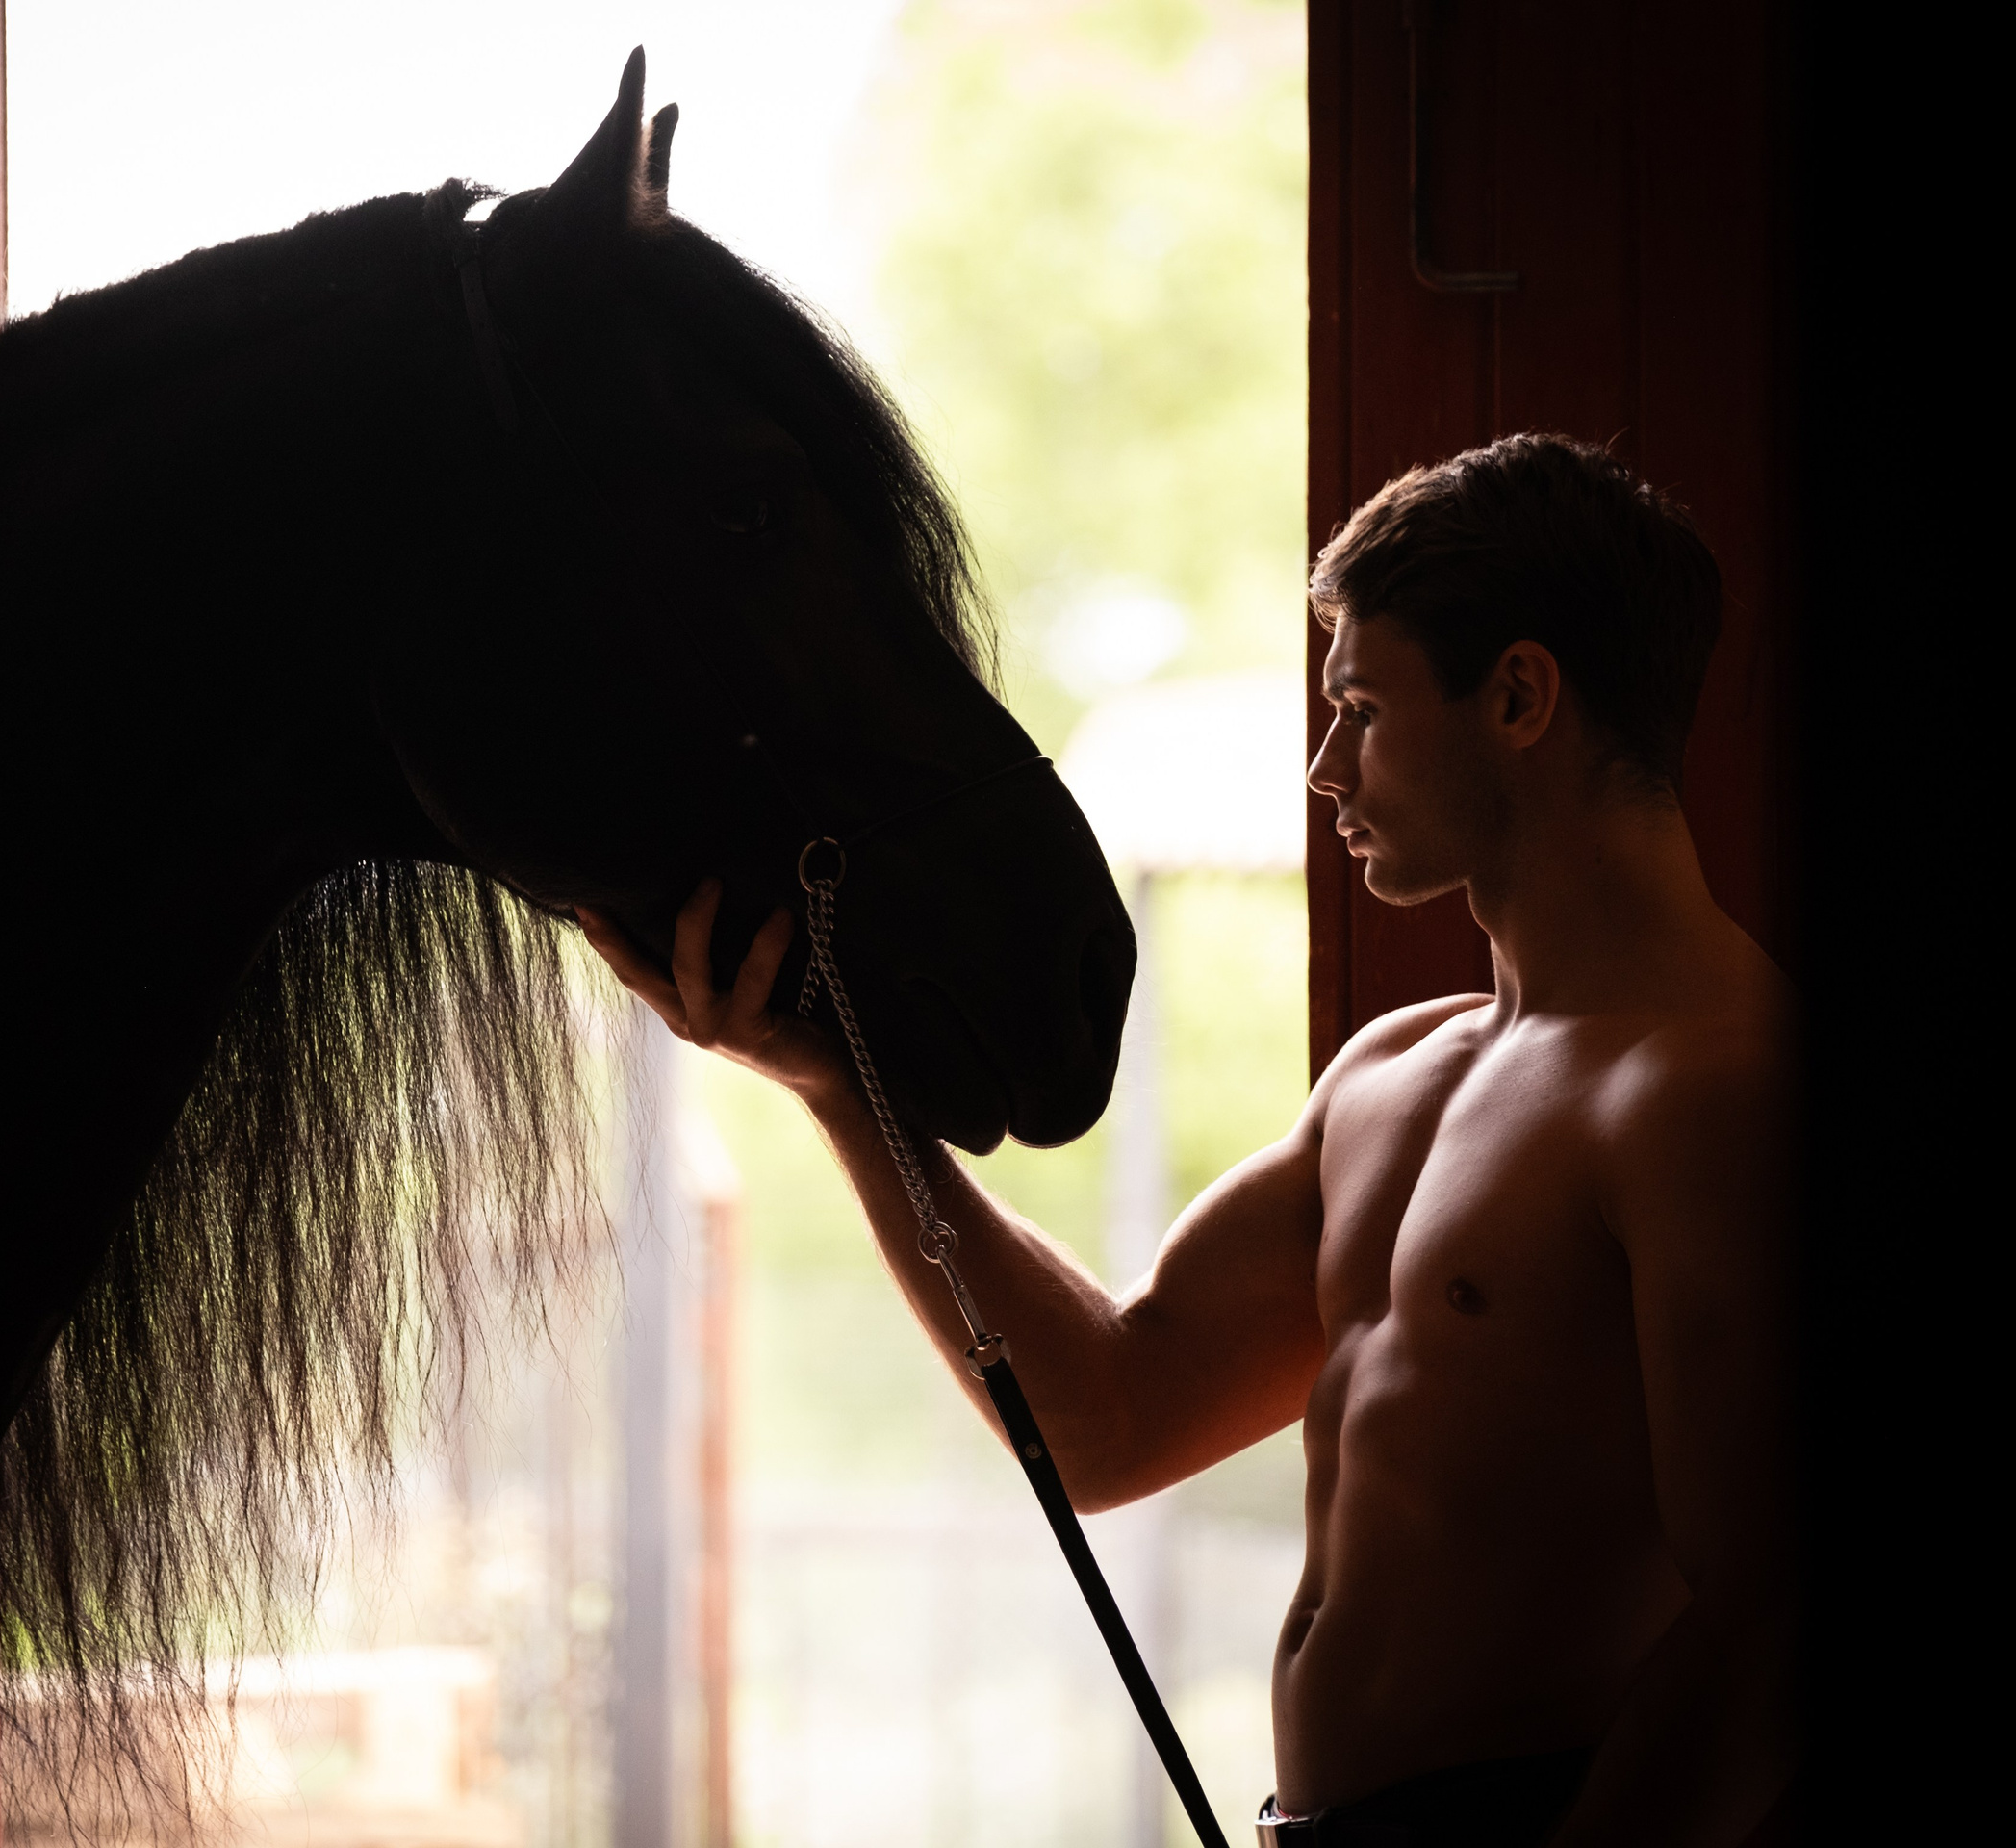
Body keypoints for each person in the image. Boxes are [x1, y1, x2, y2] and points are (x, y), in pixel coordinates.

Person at [579, 434, 1797, 1846]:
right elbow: (1108, 1416)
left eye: (1363, 709)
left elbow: (1770, 1624)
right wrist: (845, 1090)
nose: (1326, 770)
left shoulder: (1715, 1086)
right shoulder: (1392, 1074)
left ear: (1519, 696)